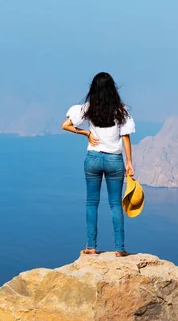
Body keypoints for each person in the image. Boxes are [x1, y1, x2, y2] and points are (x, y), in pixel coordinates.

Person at [62, 72, 135, 257]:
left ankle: (91, 247)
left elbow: (65, 125)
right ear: (113, 89)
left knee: (91, 203)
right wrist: (130, 163)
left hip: (93, 159)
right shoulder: (121, 110)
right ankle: (119, 249)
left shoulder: (88, 108)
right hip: (114, 160)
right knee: (115, 205)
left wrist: (86, 134)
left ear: (93, 89)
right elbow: (125, 138)